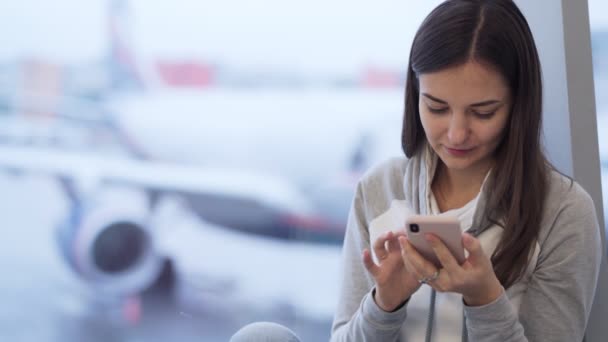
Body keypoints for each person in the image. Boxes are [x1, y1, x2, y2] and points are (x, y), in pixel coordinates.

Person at [231, 0, 602, 341]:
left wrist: (486, 299)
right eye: (437, 107)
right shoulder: (380, 188)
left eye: (483, 112)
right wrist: (384, 302)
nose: (456, 133)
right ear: (415, 94)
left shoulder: (564, 212)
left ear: (519, 105)